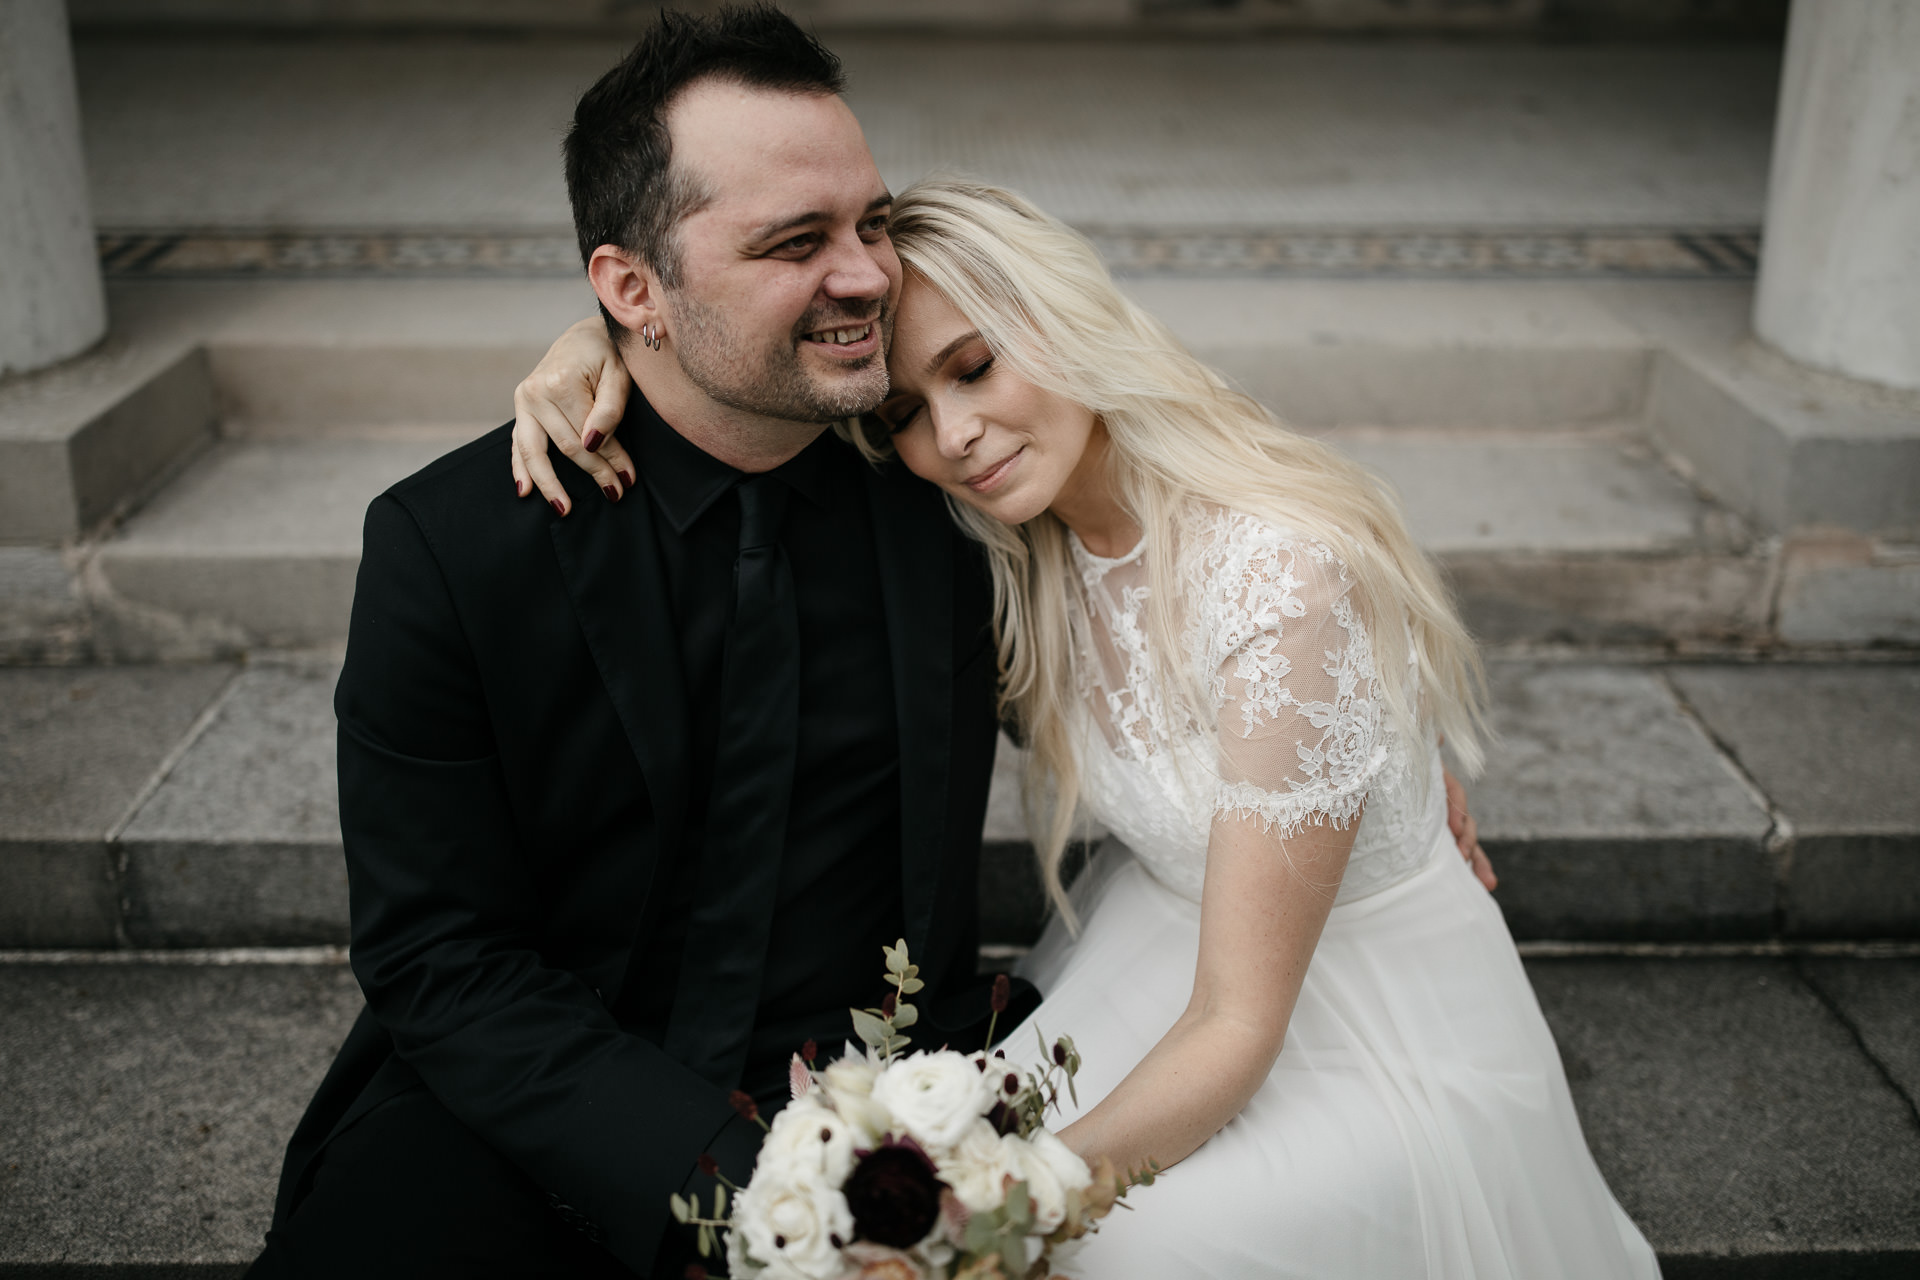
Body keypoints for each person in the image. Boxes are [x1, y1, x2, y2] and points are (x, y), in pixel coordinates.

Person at [518, 179, 1657, 1277]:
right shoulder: (1011, 548)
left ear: (1062, 320)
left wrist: (1009, 1204)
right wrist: (604, 344)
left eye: (975, 368)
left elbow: (1236, 1023)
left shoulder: (1279, 583)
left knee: (1096, 1243)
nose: (956, 436)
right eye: (906, 413)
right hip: (1169, 952)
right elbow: (753, 366)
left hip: (1363, 1027)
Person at [247, 11, 1044, 1278]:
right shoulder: (453, 546)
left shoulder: (955, 489)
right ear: (631, 290)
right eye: (796, 242)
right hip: (546, 1110)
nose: (866, 277)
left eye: (873, 224)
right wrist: (732, 1183)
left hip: (898, 1093)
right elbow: (438, 956)